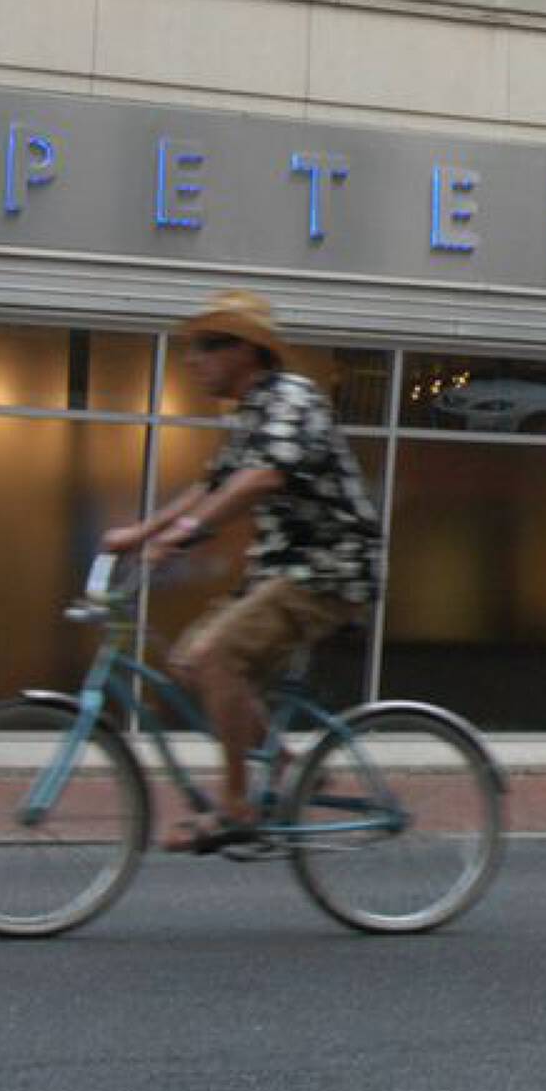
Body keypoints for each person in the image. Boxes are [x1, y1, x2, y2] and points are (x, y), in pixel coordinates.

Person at [102, 290, 380, 852]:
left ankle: (235, 808)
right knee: (189, 662)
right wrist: (142, 533)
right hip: (281, 569)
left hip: (329, 568)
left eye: (207, 345)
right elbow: (213, 485)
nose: (192, 359)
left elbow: (262, 478)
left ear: (246, 350)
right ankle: (288, 767)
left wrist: (183, 534)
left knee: (217, 657)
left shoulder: (292, 398)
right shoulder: (249, 413)